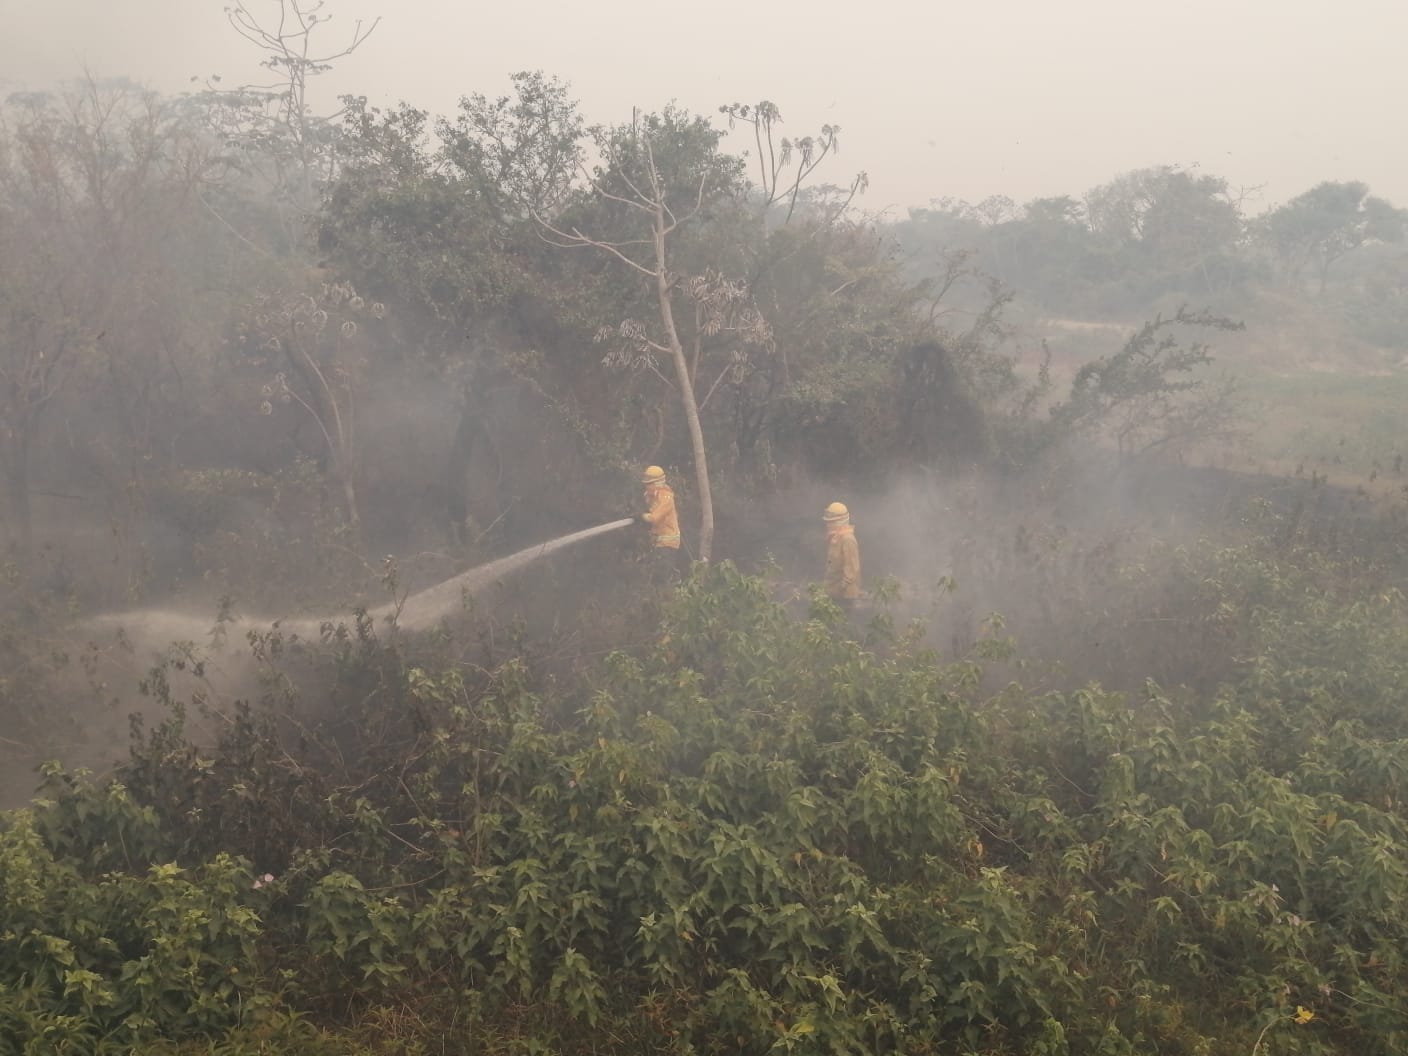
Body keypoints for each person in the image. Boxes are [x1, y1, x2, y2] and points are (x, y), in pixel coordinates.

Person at [822, 501, 861, 607]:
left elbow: (851, 570)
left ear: (838, 522)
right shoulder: (836, 538)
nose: (828, 525)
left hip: (844, 596)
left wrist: (840, 589)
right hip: (834, 593)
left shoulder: (848, 540)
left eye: (830, 522)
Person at [637, 465, 681, 554]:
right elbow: (651, 511)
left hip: (668, 545)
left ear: (658, 483)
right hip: (657, 542)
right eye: (646, 484)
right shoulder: (651, 496)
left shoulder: (666, 497)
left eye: (649, 484)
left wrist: (641, 516)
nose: (647, 486)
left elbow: (654, 518)